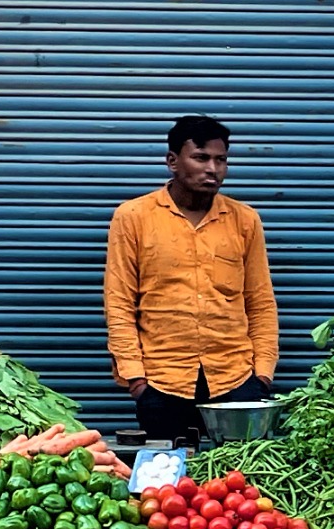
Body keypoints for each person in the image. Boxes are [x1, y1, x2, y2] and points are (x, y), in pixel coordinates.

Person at [104, 115, 279, 442]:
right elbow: (119, 303)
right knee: (168, 483)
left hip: (236, 381)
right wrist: (137, 382)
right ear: (172, 161)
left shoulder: (245, 221)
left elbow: (260, 303)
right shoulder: (133, 218)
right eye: (201, 158)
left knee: (238, 483)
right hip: (161, 384)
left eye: (221, 159)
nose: (213, 169)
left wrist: (262, 376)